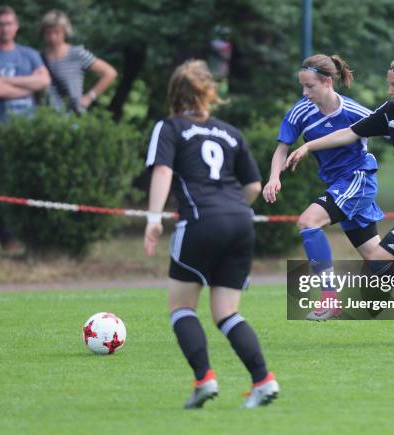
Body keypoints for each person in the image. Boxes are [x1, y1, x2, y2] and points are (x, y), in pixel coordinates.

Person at [286, 55, 394, 345]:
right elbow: (349, 132)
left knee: (379, 263)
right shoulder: (390, 112)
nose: (389, 90)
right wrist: (308, 146)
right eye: (389, 84)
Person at [143, 59, 279, 409]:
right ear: (210, 92)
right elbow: (253, 185)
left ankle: (204, 379)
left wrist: (154, 217)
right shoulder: (230, 132)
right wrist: (232, 207)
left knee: (181, 307)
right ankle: (263, 381)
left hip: (202, 221)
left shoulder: (170, 127)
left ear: (175, 93)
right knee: (227, 313)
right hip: (240, 220)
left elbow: (162, 170)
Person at [263, 54, 384, 321]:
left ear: (328, 82)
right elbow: (282, 148)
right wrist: (274, 178)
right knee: (376, 255)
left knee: (308, 222)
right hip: (339, 185)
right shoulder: (300, 111)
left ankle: (330, 298)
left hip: (358, 179)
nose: (305, 93)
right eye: (302, 87)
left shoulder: (356, 112)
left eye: (310, 86)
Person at [0, 5, 51, 251]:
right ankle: (8, 239)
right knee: (6, 186)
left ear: (16, 26)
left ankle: (34, 234)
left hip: (31, 130)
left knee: (32, 181)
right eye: (0, 24)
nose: (5, 28)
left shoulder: (29, 54)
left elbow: (44, 81)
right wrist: (28, 85)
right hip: (3, 130)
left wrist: (7, 81)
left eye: (9, 23)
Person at [40, 10, 117, 113]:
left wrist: (90, 97)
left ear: (65, 32)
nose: (52, 37)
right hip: (46, 114)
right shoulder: (39, 57)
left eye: (57, 32)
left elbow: (110, 73)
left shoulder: (76, 53)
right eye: (49, 33)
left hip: (72, 114)